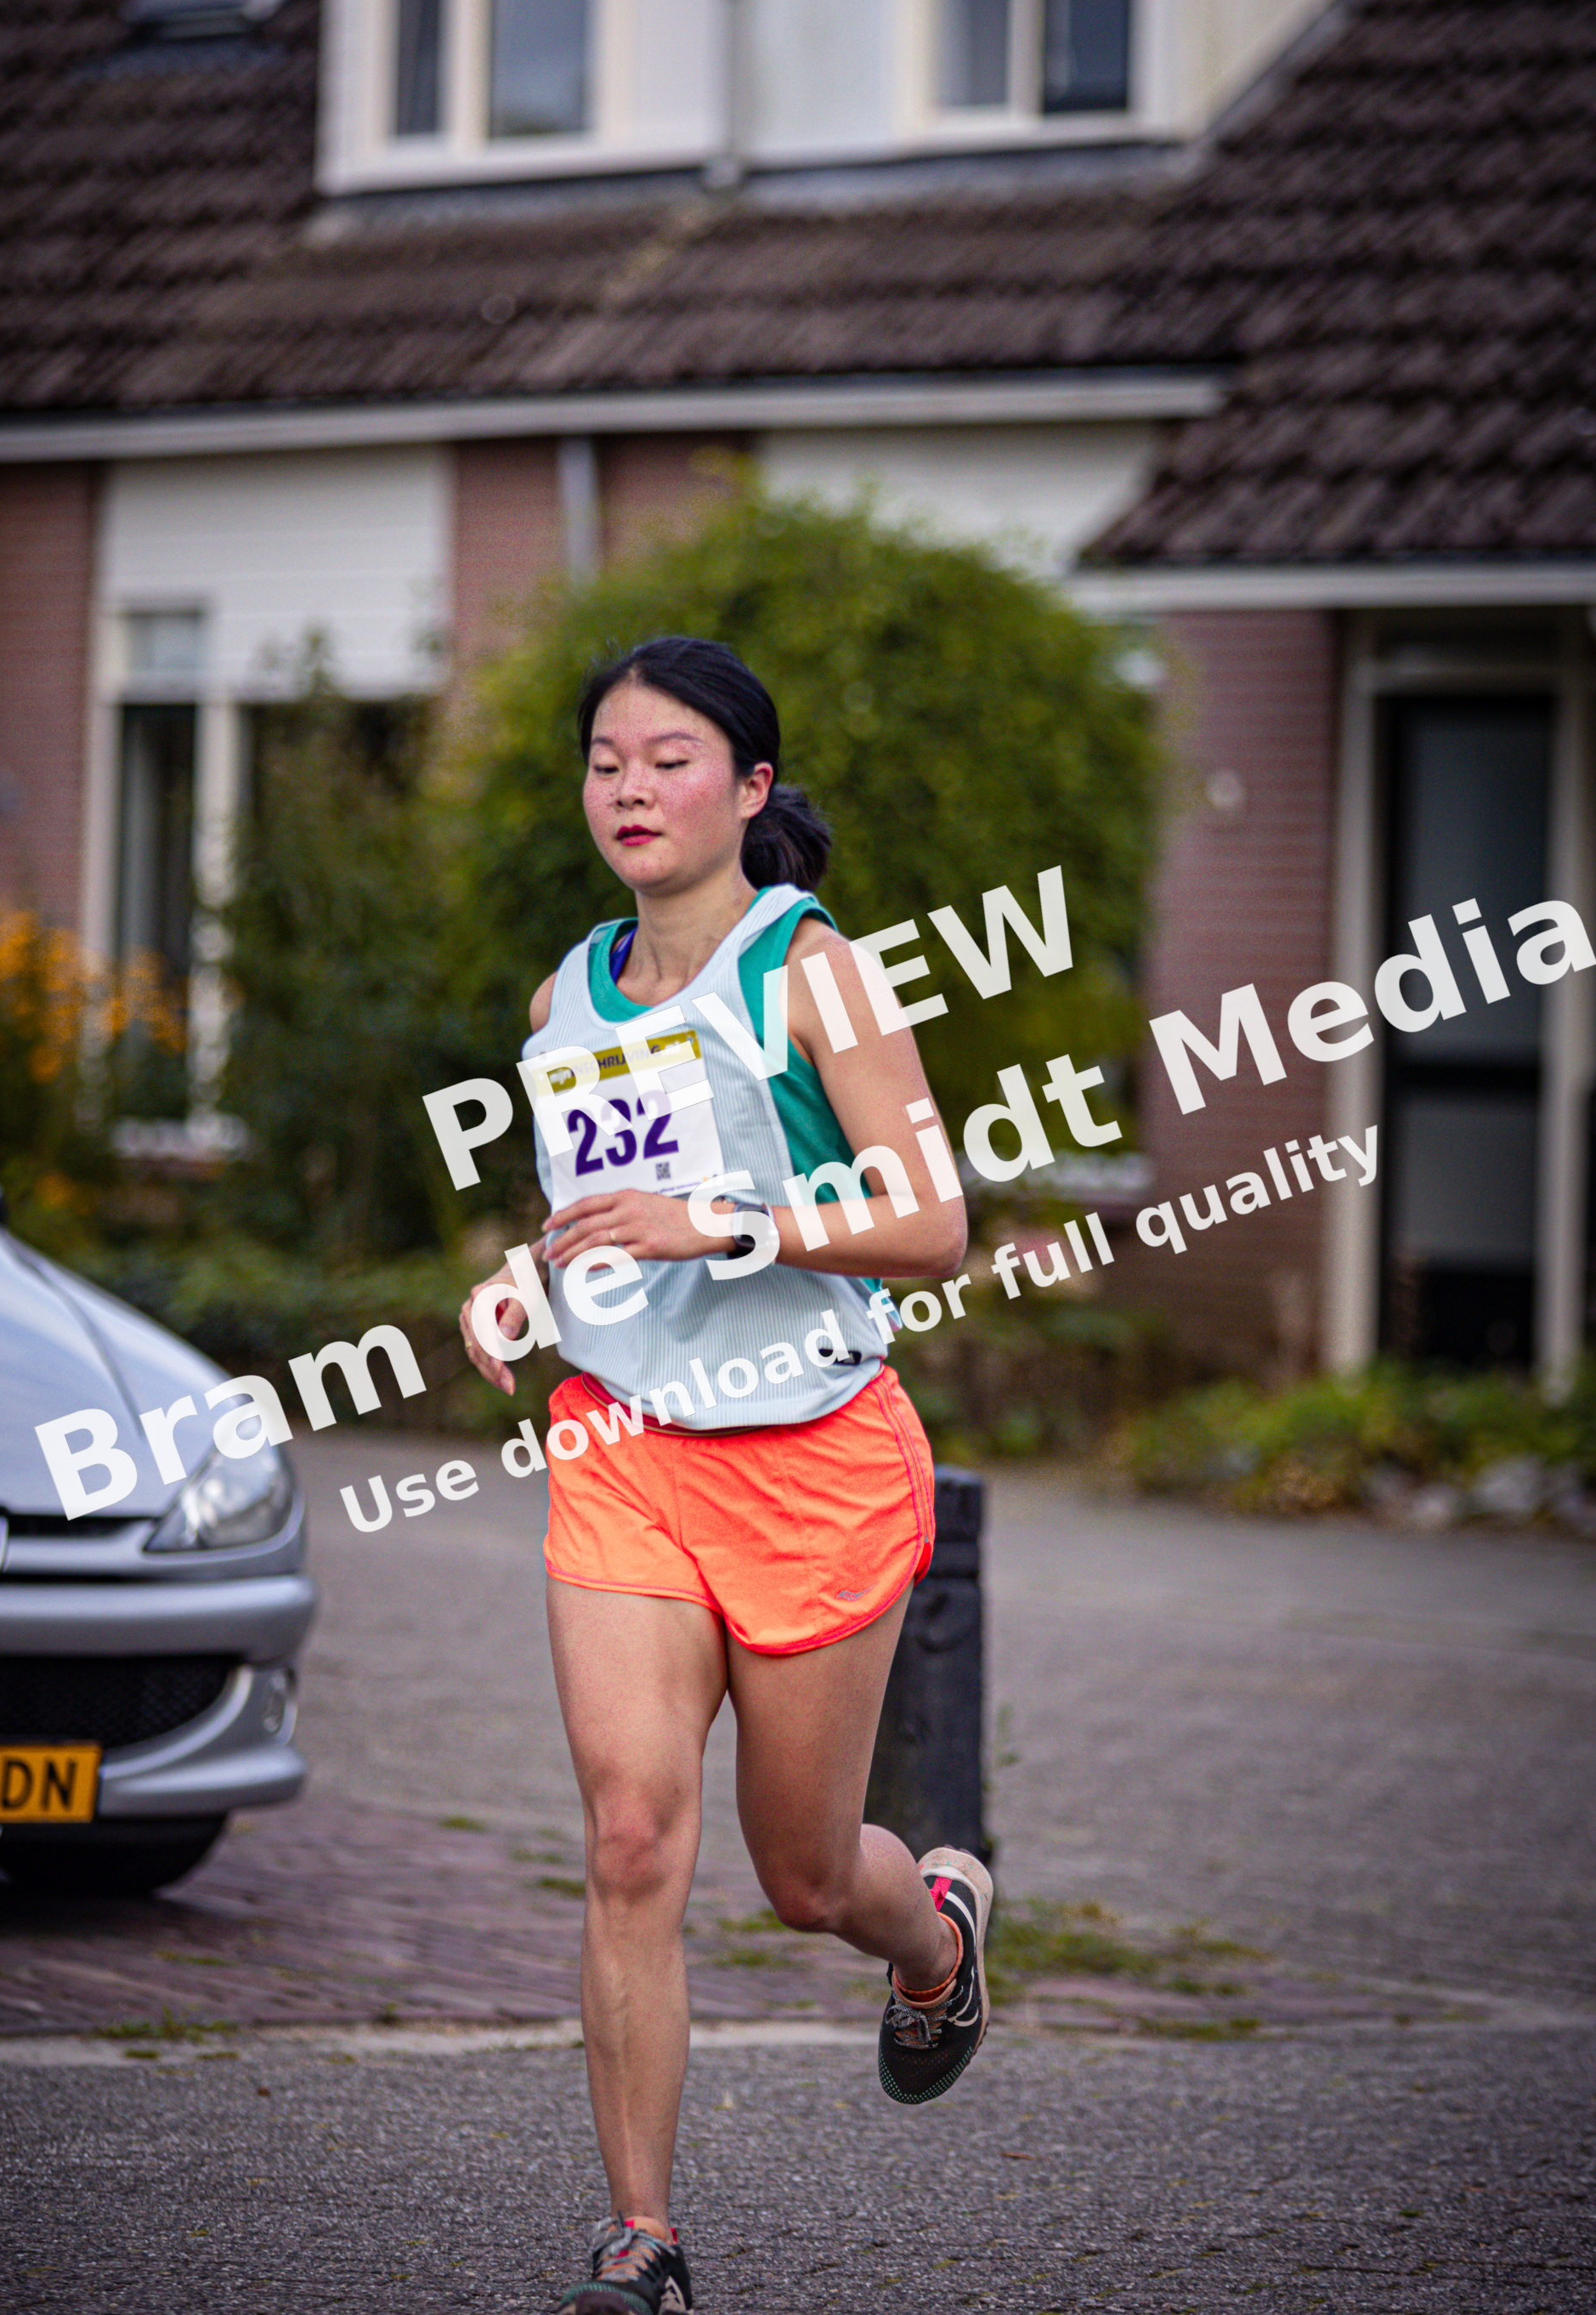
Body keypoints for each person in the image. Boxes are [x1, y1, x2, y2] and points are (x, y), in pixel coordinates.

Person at [459, 636, 993, 2315]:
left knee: (805, 1875)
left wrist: (734, 1223)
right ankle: (641, 2237)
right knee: (629, 1841)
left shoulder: (812, 971)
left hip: (816, 1458)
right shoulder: (564, 997)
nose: (629, 785)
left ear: (750, 790)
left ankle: (940, 1940)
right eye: (606, 758)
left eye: (669, 757)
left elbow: (932, 1219)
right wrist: (521, 1282)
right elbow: (588, 1225)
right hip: (624, 1450)